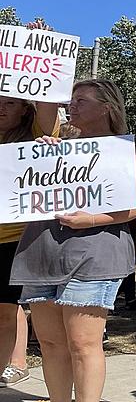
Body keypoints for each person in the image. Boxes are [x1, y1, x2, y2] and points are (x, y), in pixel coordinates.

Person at [12, 79, 136, 402]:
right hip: (43, 251)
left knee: (82, 343)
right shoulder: (58, 143)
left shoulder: (124, 150)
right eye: (71, 100)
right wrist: (43, 154)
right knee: (50, 343)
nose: (71, 106)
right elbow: (44, 108)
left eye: (81, 101)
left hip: (94, 255)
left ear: (107, 108)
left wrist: (91, 219)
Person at [0, 90, 59, 387]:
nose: (2, 109)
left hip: (16, 237)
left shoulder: (33, 137)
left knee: (9, 307)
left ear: (25, 109)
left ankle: (17, 362)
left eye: (9, 103)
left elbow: (48, 112)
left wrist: (44, 79)